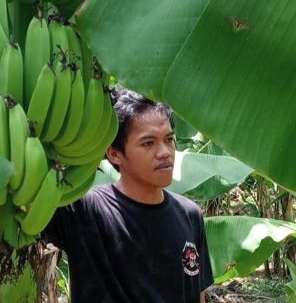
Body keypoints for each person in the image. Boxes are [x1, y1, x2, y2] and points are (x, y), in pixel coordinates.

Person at [43, 87, 214, 302]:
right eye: (148, 143)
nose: (165, 152)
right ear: (114, 154)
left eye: (169, 139)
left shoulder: (189, 215)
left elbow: (197, 295)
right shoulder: (86, 211)